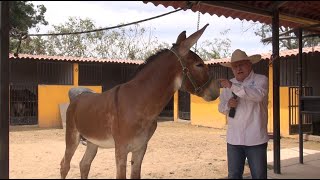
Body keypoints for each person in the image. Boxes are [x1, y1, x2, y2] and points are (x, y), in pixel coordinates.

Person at [218, 49, 269, 179]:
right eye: (235, 66)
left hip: (256, 139)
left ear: (249, 64)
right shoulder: (227, 85)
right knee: (234, 175)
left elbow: (257, 96)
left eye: (241, 64)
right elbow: (221, 108)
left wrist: (232, 86)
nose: (238, 68)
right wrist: (228, 106)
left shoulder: (261, 80)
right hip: (234, 140)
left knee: (259, 175)